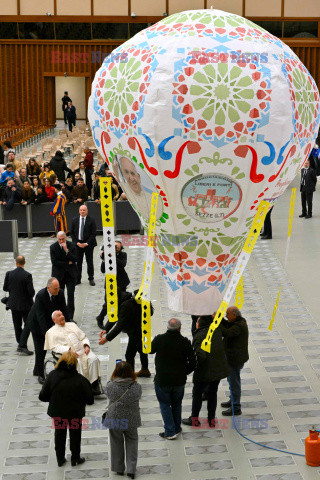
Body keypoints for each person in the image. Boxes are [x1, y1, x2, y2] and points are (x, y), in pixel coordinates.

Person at [39, 350, 93, 467]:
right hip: (75, 413)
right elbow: (90, 400)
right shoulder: (80, 380)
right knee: (75, 435)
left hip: (58, 412)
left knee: (59, 434)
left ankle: (60, 459)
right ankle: (75, 458)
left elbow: (42, 396)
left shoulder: (52, 375)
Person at [151, 318, 196, 439]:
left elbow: (149, 350)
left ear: (167, 327)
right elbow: (193, 362)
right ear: (180, 328)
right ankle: (177, 427)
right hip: (179, 381)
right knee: (177, 404)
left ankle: (170, 432)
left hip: (162, 380)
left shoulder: (159, 339)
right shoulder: (185, 342)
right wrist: (184, 372)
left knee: (165, 405)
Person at [182, 315, 230, 428]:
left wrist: (192, 366)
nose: (196, 323)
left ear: (200, 324)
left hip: (204, 371)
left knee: (197, 394)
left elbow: (200, 356)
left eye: (197, 321)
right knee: (212, 394)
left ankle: (194, 419)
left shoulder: (199, 335)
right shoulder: (216, 329)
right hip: (217, 369)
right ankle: (211, 420)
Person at [45, 310, 102, 395]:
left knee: (93, 359)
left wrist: (86, 346)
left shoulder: (72, 325)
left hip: (82, 351)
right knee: (78, 363)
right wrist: (69, 350)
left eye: (62, 314)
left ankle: (94, 384)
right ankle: (82, 388)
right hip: (67, 355)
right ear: (54, 320)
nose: (62, 316)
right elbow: (55, 347)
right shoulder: (50, 332)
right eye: (59, 315)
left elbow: (83, 337)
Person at [99, 291, 153, 377]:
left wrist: (107, 338)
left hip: (135, 331)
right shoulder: (138, 300)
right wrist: (106, 329)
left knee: (129, 355)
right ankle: (145, 369)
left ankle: (131, 376)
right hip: (141, 329)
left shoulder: (126, 305)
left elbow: (120, 325)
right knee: (141, 349)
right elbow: (117, 316)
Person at [27, 277, 69, 384]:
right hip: (37, 324)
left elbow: (64, 310)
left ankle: (37, 369)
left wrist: (68, 326)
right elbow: (40, 316)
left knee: (42, 350)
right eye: (55, 289)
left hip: (49, 321)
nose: (57, 290)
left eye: (58, 288)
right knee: (41, 349)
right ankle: (41, 375)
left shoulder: (60, 293)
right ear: (48, 288)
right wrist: (47, 333)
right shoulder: (40, 296)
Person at [104, 361, 141, 479]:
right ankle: (131, 469)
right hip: (132, 418)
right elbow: (139, 396)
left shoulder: (110, 386)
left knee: (116, 442)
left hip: (115, 417)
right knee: (132, 441)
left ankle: (118, 468)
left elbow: (107, 393)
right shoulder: (136, 387)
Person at [220, 306, 249, 416]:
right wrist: (218, 318)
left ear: (234, 315)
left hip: (234, 359)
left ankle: (236, 407)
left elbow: (227, 332)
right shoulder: (238, 321)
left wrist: (217, 323)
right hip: (232, 357)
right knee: (231, 380)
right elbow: (227, 325)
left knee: (234, 382)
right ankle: (232, 400)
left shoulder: (239, 326)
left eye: (227, 314)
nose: (226, 316)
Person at [3, 255, 34, 355]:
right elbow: (31, 293)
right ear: (24, 262)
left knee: (17, 324)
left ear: (16, 263)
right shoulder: (27, 275)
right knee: (28, 323)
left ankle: (20, 344)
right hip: (25, 305)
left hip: (13, 304)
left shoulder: (9, 274)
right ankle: (22, 344)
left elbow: (5, 288)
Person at [96, 241, 130, 329]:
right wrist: (104, 259)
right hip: (110, 282)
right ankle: (100, 317)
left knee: (122, 303)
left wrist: (112, 255)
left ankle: (121, 323)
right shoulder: (107, 255)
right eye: (114, 247)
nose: (116, 248)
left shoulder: (123, 255)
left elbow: (123, 264)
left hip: (121, 282)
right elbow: (103, 270)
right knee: (108, 302)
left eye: (117, 247)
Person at [50, 231, 77, 321]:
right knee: (59, 296)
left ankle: (70, 317)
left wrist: (67, 251)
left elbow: (75, 259)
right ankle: (59, 315)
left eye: (63, 239)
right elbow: (55, 262)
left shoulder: (71, 245)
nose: (61, 241)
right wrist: (67, 263)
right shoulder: (53, 247)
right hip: (59, 276)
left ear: (65, 238)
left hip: (70, 275)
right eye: (59, 239)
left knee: (70, 296)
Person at [70, 205, 97, 286]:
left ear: (87, 211)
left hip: (88, 244)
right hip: (78, 244)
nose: (82, 211)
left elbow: (93, 233)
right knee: (78, 262)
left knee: (89, 262)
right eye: (81, 210)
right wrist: (77, 243)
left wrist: (86, 243)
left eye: (84, 210)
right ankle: (78, 279)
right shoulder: (75, 220)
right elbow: (72, 233)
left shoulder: (91, 220)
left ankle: (91, 278)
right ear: (79, 211)